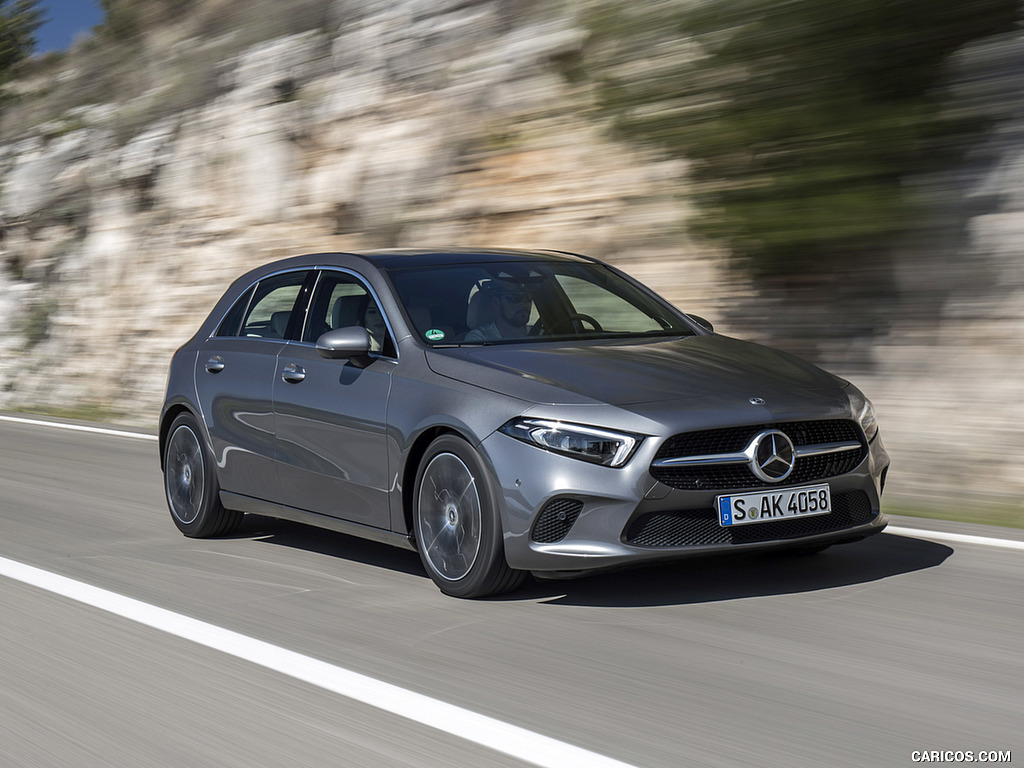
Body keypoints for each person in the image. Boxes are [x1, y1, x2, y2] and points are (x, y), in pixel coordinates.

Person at [465, 283, 534, 341]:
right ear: (496, 303)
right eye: (515, 297)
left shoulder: (540, 334)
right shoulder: (479, 339)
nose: (524, 303)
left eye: (529, 297)